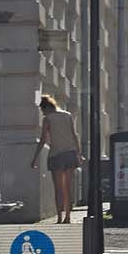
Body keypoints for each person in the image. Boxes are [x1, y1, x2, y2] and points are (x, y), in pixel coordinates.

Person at [30, 95, 82, 224]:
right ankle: (68, 217)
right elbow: (74, 135)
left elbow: (42, 140)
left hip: (56, 155)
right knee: (68, 187)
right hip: (70, 154)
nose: (43, 112)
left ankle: (59, 217)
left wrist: (35, 158)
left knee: (58, 188)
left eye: (42, 110)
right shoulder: (67, 115)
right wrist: (79, 153)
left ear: (46, 107)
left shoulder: (48, 119)